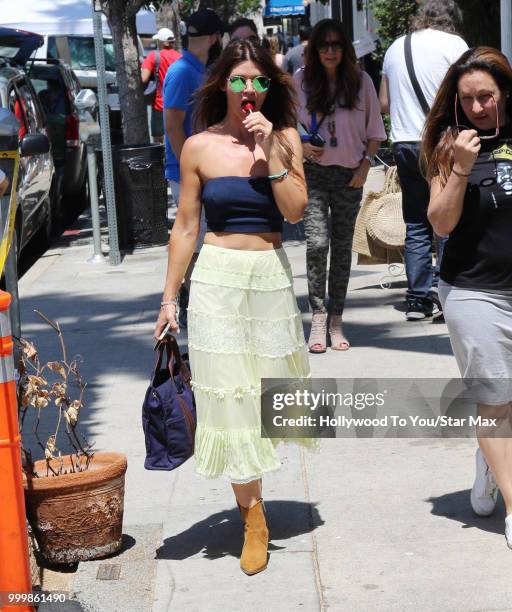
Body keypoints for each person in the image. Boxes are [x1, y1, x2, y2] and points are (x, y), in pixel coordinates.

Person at [155, 38, 312, 575]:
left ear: (270, 86)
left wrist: (270, 153)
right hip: (218, 278)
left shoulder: (286, 137)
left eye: (259, 81)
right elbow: (186, 226)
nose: (249, 90)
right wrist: (168, 299)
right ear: (223, 83)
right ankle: (253, 517)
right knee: (231, 401)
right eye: (240, 79)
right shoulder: (198, 146)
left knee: (268, 398)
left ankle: (255, 498)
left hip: (268, 277)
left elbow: (294, 212)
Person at [422, 46, 512, 548]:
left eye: (487, 97)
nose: (478, 107)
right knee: (496, 404)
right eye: (468, 99)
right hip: (475, 290)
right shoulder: (451, 143)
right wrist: (459, 168)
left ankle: (491, 462)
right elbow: (440, 222)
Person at [294, 19, 386, 353]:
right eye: (324, 45)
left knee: (343, 247)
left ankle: (336, 319)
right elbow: (287, 127)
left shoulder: (361, 82)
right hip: (315, 174)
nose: (330, 51)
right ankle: (317, 315)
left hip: (351, 174)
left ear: (345, 49)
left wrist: (365, 165)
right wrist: (300, 147)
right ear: (315, 49)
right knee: (317, 243)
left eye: (336, 45)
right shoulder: (301, 81)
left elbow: (375, 132)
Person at [379, 0, 468, 321]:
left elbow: (384, 102)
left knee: (416, 222)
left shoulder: (394, 48)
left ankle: (417, 299)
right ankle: (446, 292)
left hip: (404, 142)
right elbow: (466, 93)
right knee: (446, 218)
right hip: (440, 141)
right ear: (450, 20)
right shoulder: (454, 45)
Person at [163, 8, 223, 326]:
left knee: (202, 238)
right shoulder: (182, 71)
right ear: (214, 38)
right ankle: (188, 301)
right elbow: (173, 126)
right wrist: (191, 172)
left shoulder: (202, 69)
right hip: (187, 171)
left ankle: (197, 299)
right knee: (192, 237)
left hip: (205, 169)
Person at [141, 28, 181, 144]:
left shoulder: (154, 56)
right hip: (177, 104)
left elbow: (144, 78)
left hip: (160, 104)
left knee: (158, 140)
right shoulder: (180, 58)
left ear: (161, 42)